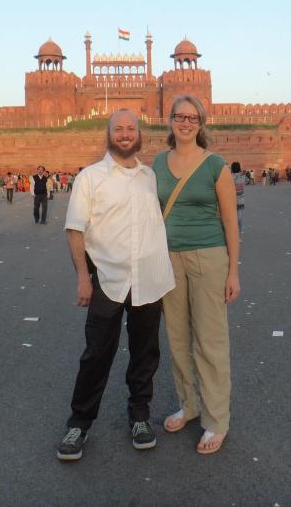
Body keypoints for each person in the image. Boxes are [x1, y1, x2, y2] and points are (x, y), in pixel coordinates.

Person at [57, 110, 175, 461]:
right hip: (107, 279)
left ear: (140, 135)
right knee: (96, 354)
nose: (125, 134)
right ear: (108, 135)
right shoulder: (90, 178)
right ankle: (79, 421)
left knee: (145, 353)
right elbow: (75, 229)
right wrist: (82, 276)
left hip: (148, 279)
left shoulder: (150, 177)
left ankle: (139, 415)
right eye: (118, 129)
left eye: (130, 129)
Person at [152, 95, 241, 455]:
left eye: (192, 118)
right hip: (169, 258)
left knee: (210, 340)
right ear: (169, 121)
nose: (185, 123)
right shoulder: (158, 163)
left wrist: (233, 270)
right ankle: (189, 404)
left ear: (201, 123)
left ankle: (216, 419)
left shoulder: (215, 165)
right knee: (176, 338)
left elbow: (231, 220)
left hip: (209, 256)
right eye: (179, 117)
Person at [230, 161, 245, 236]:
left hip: (232, 200)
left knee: (233, 217)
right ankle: (240, 229)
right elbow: (246, 181)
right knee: (240, 216)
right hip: (240, 200)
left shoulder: (230, 177)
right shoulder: (242, 177)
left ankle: (234, 230)